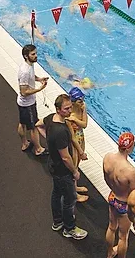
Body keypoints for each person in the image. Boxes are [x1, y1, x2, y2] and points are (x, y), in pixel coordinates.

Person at [45, 94, 87, 240]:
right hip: (63, 170)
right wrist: (75, 172)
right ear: (58, 109)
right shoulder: (61, 131)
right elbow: (65, 157)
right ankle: (69, 228)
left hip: (53, 165)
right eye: (66, 109)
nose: (70, 111)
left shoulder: (50, 119)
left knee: (56, 194)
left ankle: (57, 222)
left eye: (70, 107)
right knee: (70, 199)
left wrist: (50, 144)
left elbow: (39, 125)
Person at [103, 132, 135, 258]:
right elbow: (134, 196)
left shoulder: (108, 158)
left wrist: (114, 190)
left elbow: (106, 178)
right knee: (123, 237)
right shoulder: (130, 171)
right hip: (124, 205)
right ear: (128, 148)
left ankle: (109, 253)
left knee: (112, 227)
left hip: (112, 197)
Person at [18, 44, 48, 155]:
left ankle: (25, 143)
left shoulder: (28, 65)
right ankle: (38, 149)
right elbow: (24, 92)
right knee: (34, 126)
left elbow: (31, 75)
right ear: (26, 56)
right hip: (28, 104)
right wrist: (39, 89)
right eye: (33, 54)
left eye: (36, 53)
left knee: (22, 123)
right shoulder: (25, 71)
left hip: (23, 103)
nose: (36, 56)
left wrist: (39, 79)